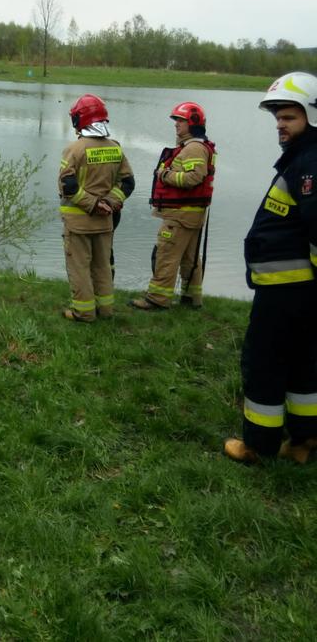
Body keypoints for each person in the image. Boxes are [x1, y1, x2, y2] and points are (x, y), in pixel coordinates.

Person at [224, 72, 317, 464]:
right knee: (304, 364)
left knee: (264, 362)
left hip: (287, 290)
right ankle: (304, 442)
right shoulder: (304, 158)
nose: (279, 124)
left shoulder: (310, 165)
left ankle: (257, 447)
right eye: (277, 116)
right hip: (299, 290)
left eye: (289, 117)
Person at [130, 101, 216, 311]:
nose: (176, 124)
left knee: (166, 255)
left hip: (180, 216)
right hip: (190, 215)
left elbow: (194, 178)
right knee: (190, 259)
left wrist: (165, 175)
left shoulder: (194, 148)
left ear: (193, 123)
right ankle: (191, 299)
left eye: (181, 120)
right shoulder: (195, 146)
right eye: (176, 120)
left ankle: (157, 299)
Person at [59, 94, 135, 322]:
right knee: (102, 267)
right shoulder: (115, 148)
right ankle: (106, 310)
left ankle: (83, 312)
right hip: (105, 222)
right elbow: (128, 183)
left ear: (80, 120)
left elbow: (68, 186)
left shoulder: (74, 149)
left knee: (80, 267)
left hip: (79, 222)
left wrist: (93, 204)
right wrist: (110, 201)